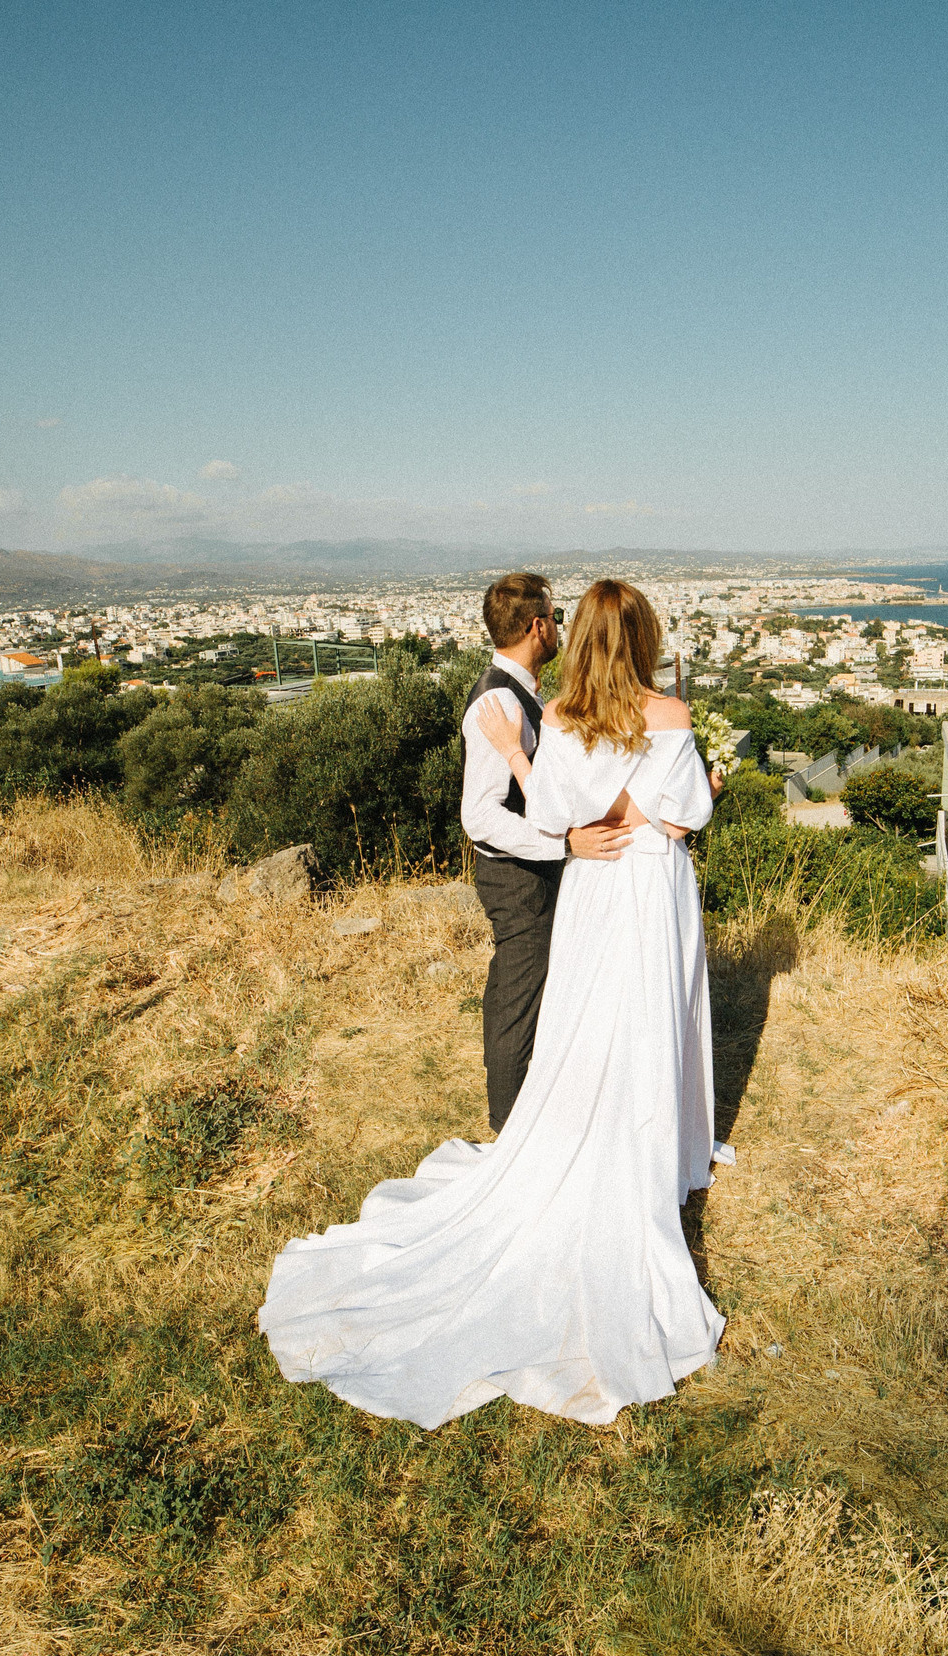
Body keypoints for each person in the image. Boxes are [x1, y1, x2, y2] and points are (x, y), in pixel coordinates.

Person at [259, 579, 726, 1428]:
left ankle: (572, 1134)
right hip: (651, 887)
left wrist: (525, 757)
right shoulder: (673, 717)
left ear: (576, 636)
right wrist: (667, 796)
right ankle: (652, 1142)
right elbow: (687, 818)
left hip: (591, 888)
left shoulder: (565, 717)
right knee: (648, 1015)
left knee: (584, 1025)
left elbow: (551, 808)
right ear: (648, 636)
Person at [456, 572, 631, 1133]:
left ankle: (536, 1108)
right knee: (519, 992)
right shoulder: (499, 702)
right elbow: (480, 814)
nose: (559, 628)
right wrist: (563, 842)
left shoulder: (516, 692)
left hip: (533, 870)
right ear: (538, 626)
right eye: (555, 618)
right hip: (516, 876)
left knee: (539, 987)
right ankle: (508, 1125)